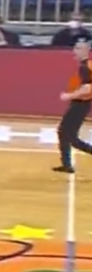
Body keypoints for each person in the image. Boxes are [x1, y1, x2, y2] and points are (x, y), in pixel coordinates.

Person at [54, 40, 92, 173]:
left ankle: (67, 164)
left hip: (80, 104)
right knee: (65, 133)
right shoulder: (87, 65)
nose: (74, 51)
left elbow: (88, 88)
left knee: (70, 136)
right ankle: (66, 164)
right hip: (82, 104)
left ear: (86, 51)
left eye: (78, 48)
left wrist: (69, 96)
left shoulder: (85, 67)